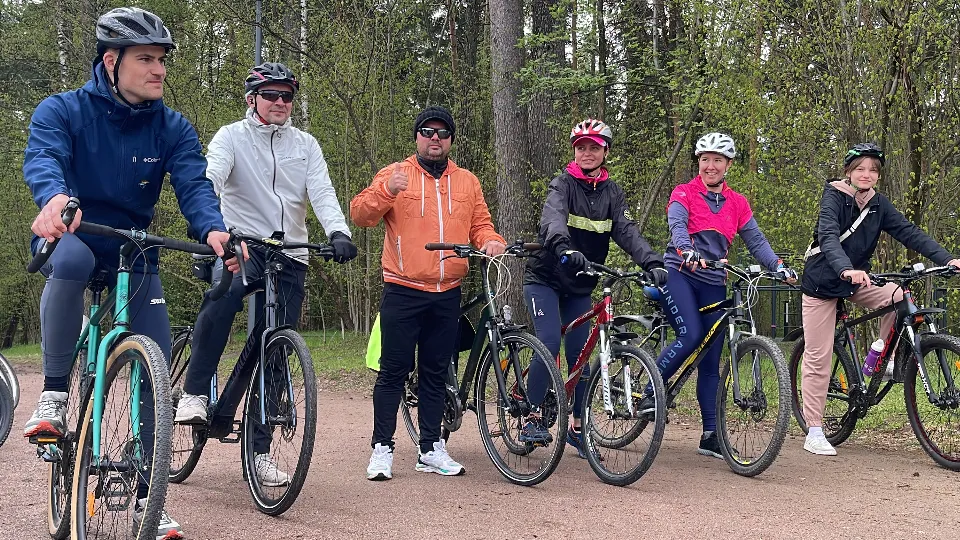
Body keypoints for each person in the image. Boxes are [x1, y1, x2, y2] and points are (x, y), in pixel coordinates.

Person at [21, 7, 239, 539]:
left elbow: (193, 185)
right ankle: (53, 393)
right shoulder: (63, 111)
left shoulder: (172, 126)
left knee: (154, 363)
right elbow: (44, 158)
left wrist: (213, 230)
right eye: (146, 59)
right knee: (70, 259)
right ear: (111, 61)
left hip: (134, 250)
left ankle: (148, 493)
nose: (159, 70)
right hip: (71, 231)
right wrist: (54, 201)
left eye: (162, 60)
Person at [173, 62, 357, 485]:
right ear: (252, 98)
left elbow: (322, 191)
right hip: (241, 242)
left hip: (290, 250)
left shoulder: (306, 144)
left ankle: (259, 450)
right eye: (270, 95)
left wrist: (338, 231)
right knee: (225, 294)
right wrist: (206, 221)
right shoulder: (231, 137)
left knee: (276, 344)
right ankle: (195, 392)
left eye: (286, 96)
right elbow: (211, 176)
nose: (279, 103)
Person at [351, 106, 506, 480]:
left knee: (436, 372)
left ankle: (431, 448)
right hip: (403, 290)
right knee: (393, 372)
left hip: (447, 292)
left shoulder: (467, 181)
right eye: (427, 131)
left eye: (442, 132)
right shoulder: (396, 173)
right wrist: (387, 191)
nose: (434, 138)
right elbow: (360, 214)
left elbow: (481, 225)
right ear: (417, 137)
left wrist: (492, 241)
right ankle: (382, 448)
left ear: (451, 139)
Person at [799, 142, 960, 456]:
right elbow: (829, 236)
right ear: (849, 171)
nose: (867, 174)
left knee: (898, 295)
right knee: (818, 358)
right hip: (823, 282)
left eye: (873, 170)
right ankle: (815, 429)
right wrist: (846, 268)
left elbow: (909, 231)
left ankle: (880, 358)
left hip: (858, 279)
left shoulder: (878, 204)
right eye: (860, 168)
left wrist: (948, 258)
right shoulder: (834, 197)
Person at [521, 118, 668, 457]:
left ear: (605, 152)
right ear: (574, 151)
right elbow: (552, 219)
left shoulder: (612, 193)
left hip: (580, 283)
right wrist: (563, 247)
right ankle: (530, 415)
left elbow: (628, 232)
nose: (587, 152)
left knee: (582, 356)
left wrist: (652, 263)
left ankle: (576, 425)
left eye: (594, 147)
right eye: (581, 146)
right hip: (545, 277)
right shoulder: (562, 184)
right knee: (548, 341)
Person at [654, 132, 797, 458]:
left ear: (728, 165)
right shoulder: (684, 192)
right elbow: (677, 226)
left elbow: (756, 241)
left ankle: (709, 435)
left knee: (711, 360)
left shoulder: (738, 203)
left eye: (717, 160)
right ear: (699, 162)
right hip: (681, 273)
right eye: (705, 159)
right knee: (691, 336)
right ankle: (651, 390)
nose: (710, 165)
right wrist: (686, 249)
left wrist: (778, 266)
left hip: (714, 280)